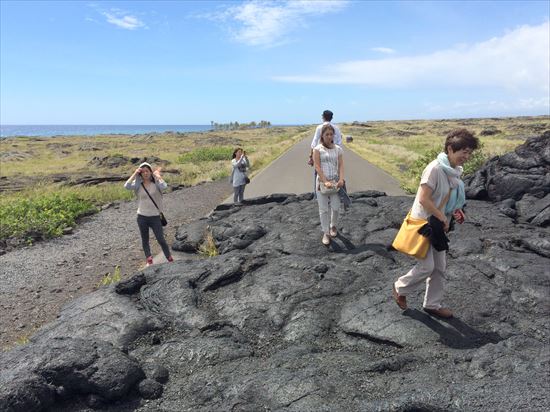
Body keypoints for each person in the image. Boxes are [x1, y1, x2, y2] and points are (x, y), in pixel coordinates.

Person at [392, 129, 480, 318]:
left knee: (440, 267)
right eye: (463, 151)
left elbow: (448, 198)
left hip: (439, 224)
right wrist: (441, 217)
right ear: (450, 149)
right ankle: (400, 287)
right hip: (425, 223)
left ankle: (432, 304)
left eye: (469, 152)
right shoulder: (434, 168)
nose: (467, 156)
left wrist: (456, 211)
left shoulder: (455, 172)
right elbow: (424, 199)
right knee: (427, 266)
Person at [124, 162, 173, 267]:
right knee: (145, 239)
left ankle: (169, 258)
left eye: (147, 171)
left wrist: (158, 176)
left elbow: (164, 186)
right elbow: (126, 186)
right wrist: (134, 173)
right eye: (143, 172)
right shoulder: (138, 185)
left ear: (151, 172)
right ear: (140, 174)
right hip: (142, 216)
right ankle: (149, 260)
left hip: (155, 217)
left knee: (161, 239)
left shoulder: (156, 184)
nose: (145, 173)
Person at [313, 124, 345, 245]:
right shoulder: (318, 149)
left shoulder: (338, 149)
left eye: (331, 134)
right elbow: (317, 166)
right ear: (322, 135)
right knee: (323, 209)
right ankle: (326, 233)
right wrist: (324, 180)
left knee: (336, 207)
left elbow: (341, 165)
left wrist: (341, 179)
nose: (329, 136)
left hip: (335, 183)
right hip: (322, 184)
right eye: (327, 134)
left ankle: (333, 226)